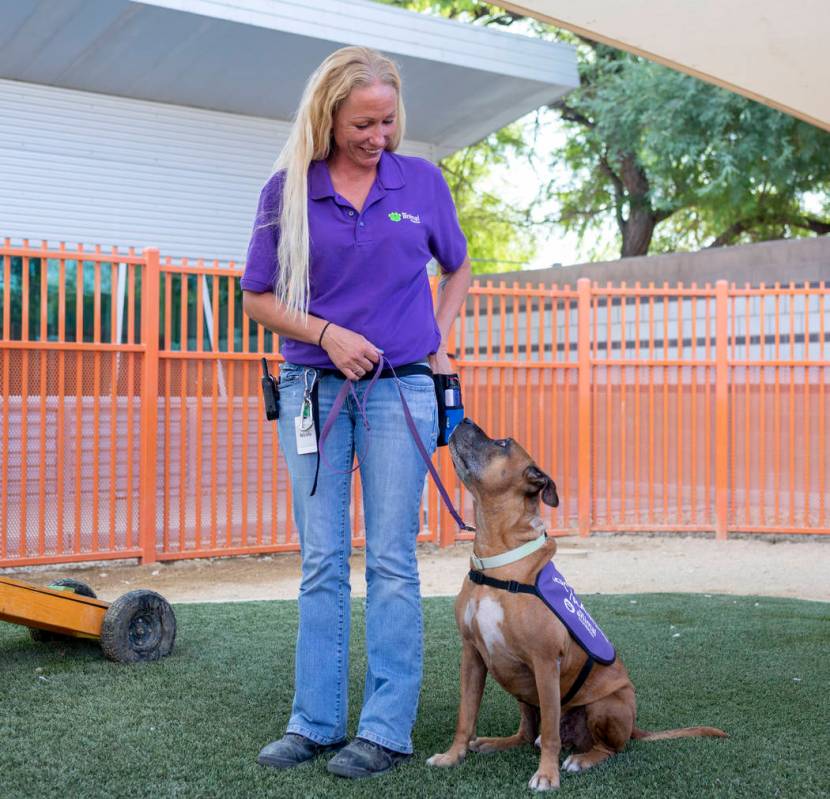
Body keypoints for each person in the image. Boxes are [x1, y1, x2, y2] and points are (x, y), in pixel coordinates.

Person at [240, 46, 472, 779]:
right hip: (313, 389)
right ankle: (313, 721)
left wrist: (438, 342)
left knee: (395, 560)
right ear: (328, 118)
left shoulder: (422, 182)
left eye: (388, 120)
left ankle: (385, 728)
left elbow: (457, 264)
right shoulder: (288, 191)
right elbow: (258, 298)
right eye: (363, 123)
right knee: (321, 559)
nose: (379, 136)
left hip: (401, 388)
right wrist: (325, 334)